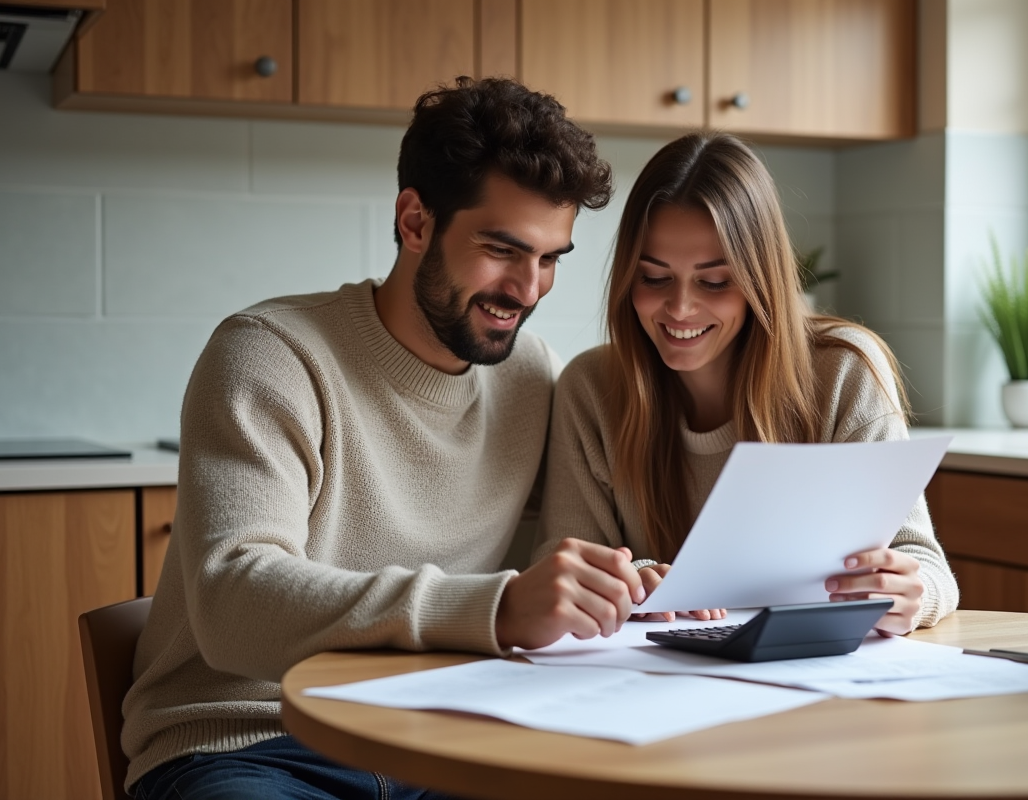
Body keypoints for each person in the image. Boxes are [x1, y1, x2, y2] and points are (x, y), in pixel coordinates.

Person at [121, 78, 648, 800]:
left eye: (551, 258)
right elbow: (233, 603)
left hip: (441, 737)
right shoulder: (271, 354)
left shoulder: (530, 377)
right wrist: (496, 609)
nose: (527, 289)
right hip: (250, 744)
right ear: (415, 221)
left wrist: (620, 582)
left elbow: (549, 564)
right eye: (502, 249)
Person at [534, 132, 959, 634]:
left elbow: (921, 561)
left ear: (760, 279)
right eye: (654, 278)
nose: (681, 308)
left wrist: (914, 593)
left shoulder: (844, 371)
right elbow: (564, 570)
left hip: (810, 680)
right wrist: (640, 582)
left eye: (714, 282)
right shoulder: (591, 389)